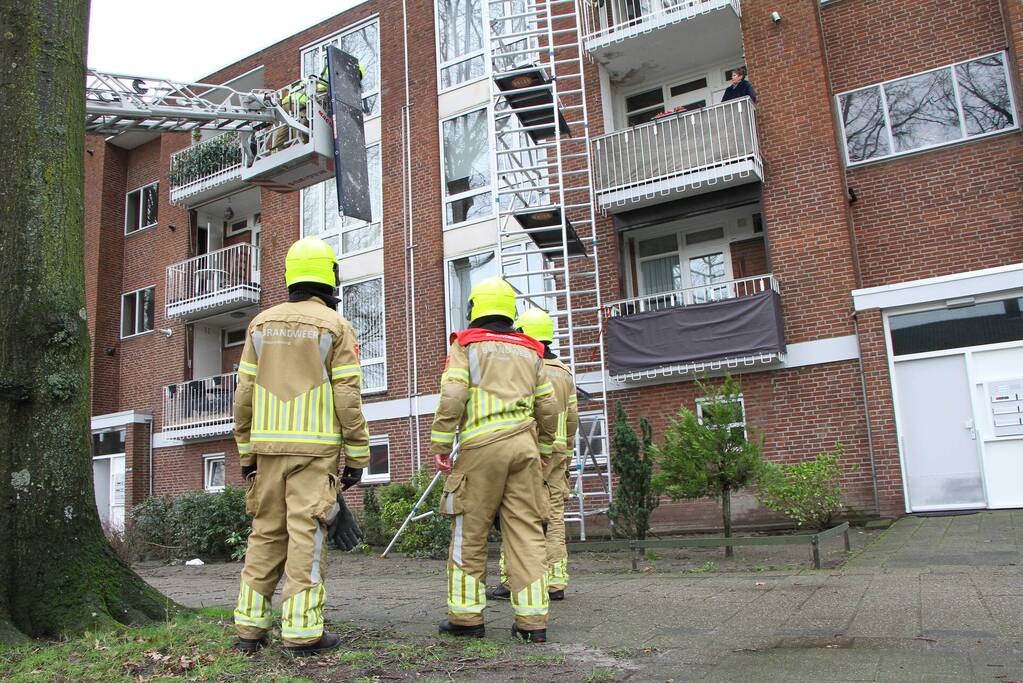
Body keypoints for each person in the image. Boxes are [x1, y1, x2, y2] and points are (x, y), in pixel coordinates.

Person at [232, 236, 370, 656]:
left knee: (265, 536)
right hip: (314, 457)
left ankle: (249, 630)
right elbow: (347, 397)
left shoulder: (260, 324)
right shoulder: (335, 327)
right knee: (306, 538)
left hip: (267, 453)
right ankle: (303, 632)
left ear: (291, 277)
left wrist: (245, 452)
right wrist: (358, 456)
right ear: (330, 279)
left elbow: (244, 394)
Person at [432, 277, 559, 643]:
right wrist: (544, 450)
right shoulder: (532, 350)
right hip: (524, 448)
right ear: (510, 312)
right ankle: (533, 623)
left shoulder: (466, 345)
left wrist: (441, 441)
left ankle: (466, 618)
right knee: (526, 533)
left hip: (479, 449)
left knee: (468, 533)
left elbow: (453, 392)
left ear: (474, 310)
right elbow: (548, 407)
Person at [489, 307, 578, 602]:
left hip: (530, 452)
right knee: (553, 518)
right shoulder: (565, 371)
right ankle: (555, 581)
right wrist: (565, 457)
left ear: (524, 334)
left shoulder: (527, 366)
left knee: (517, 514)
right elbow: (573, 418)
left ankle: (512, 580)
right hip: (558, 456)